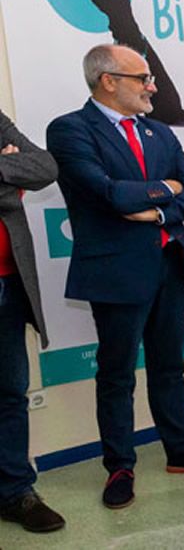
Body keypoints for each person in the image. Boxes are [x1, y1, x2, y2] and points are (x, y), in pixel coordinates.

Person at [46, 44, 184, 510]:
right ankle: (120, 466)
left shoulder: (159, 132)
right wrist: (166, 189)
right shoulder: (70, 130)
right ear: (108, 81)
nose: (153, 86)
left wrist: (156, 210)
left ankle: (181, 451)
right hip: (117, 272)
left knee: (170, 367)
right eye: (142, 78)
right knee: (117, 374)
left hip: (169, 265)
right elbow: (109, 194)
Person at [0, 111, 64, 532]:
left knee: (10, 393)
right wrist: (9, 172)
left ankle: (15, 492)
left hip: (9, 284)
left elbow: (44, 167)